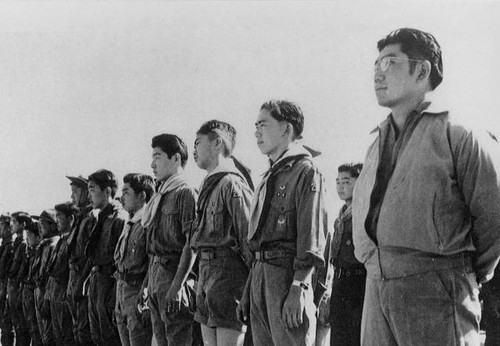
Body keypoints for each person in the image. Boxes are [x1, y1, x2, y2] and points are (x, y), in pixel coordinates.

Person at [352, 28, 500, 345]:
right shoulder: (376, 142)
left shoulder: (459, 131)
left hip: (438, 289)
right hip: (376, 287)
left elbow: (494, 216)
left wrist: (460, 273)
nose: (377, 74)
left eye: (389, 62)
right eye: (375, 65)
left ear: (422, 70)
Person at [237, 100, 327, 346]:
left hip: (287, 278)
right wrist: (249, 290)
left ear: (286, 129)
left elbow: (311, 237)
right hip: (260, 277)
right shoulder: (269, 175)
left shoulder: (305, 171)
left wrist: (298, 287)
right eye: (255, 125)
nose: (256, 132)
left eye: (263, 124)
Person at [191, 120, 254, 346]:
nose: (194, 149)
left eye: (198, 142)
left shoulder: (232, 183)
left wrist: (248, 290)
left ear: (217, 143)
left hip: (228, 276)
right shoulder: (208, 185)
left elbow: (249, 240)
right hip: (206, 274)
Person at [141, 133, 198, 346]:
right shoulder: (161, 194)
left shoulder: (186, 192)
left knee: (177, 338)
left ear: (175, 158)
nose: (152, 164)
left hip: (173, 275)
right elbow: (153, 248)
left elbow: (191, 245)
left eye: (157, 157)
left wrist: (176, 287)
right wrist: (146, 285)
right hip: (157, 275)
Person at [323, 163, 365, 346]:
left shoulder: (364, 214)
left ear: (360, 182)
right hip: (340, 286)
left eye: (346, 181)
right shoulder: (339, 219)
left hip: (358, 286)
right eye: (338, 182)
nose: (341, 186)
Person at [85, 169, 127, 346]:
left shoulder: (119, 219)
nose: (89, 195)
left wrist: (115, 292)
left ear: (107, 191)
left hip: (110, 284)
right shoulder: (101, 218)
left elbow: (122, 261)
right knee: (97, 337)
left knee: (111, 338)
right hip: (97, 281)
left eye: (92, 189)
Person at [114, 173, 154, 346]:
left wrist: (143, 297)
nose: (122, 197)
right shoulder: (128, 223)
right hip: (122, 292)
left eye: (126, 192)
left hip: (138, 293)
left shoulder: (147, 223)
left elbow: (152, 263)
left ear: (142, 196)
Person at [65, 175, 94, 346]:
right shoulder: (80, 218)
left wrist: (81, 281)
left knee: (84, 333)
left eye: (75, 192)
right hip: (74, 279)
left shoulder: (91, 217)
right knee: (76, 331)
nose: (72, 196)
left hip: (83, 281)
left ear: (85, 192)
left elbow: (90, 255)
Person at [46, 202, 79, 345]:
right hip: (55, 297)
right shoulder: (61, 241)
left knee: (68, 338)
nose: (56, 220)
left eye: (59, 216)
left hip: (65, 298)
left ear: (71, 218)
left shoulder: (73, 241)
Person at [34, 209, 60, 346]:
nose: (39, 227)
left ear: (53, 225)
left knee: (49, 337)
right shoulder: (44, 244)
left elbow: (51, 275)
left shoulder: (54, 245)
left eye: (42, 223)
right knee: (42, 334)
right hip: (40, 292)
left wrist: (46, 298)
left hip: (47, 294)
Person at [7, 211, 31, 346]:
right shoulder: (17, 243)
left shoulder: (22, 244)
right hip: (12, 288)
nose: (11, 225)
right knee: (16, 326)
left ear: (23, 225)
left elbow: (22, 269)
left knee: (21, 328)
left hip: (17, 289)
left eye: (14, 222)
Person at [22, 218, 43, 346]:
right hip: (30, 294)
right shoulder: (31, 252)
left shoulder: (40, 252)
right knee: (31, 327)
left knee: (37, 330)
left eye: (29, 235)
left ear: (38, 236)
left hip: (36, 294)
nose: (27, 239)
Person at [0, 214, 15, 346]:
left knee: (7, 326)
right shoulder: (4, 246)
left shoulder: (10, 247)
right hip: (3, 290)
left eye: (1, 226)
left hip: (6, 291)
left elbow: (6, 272)